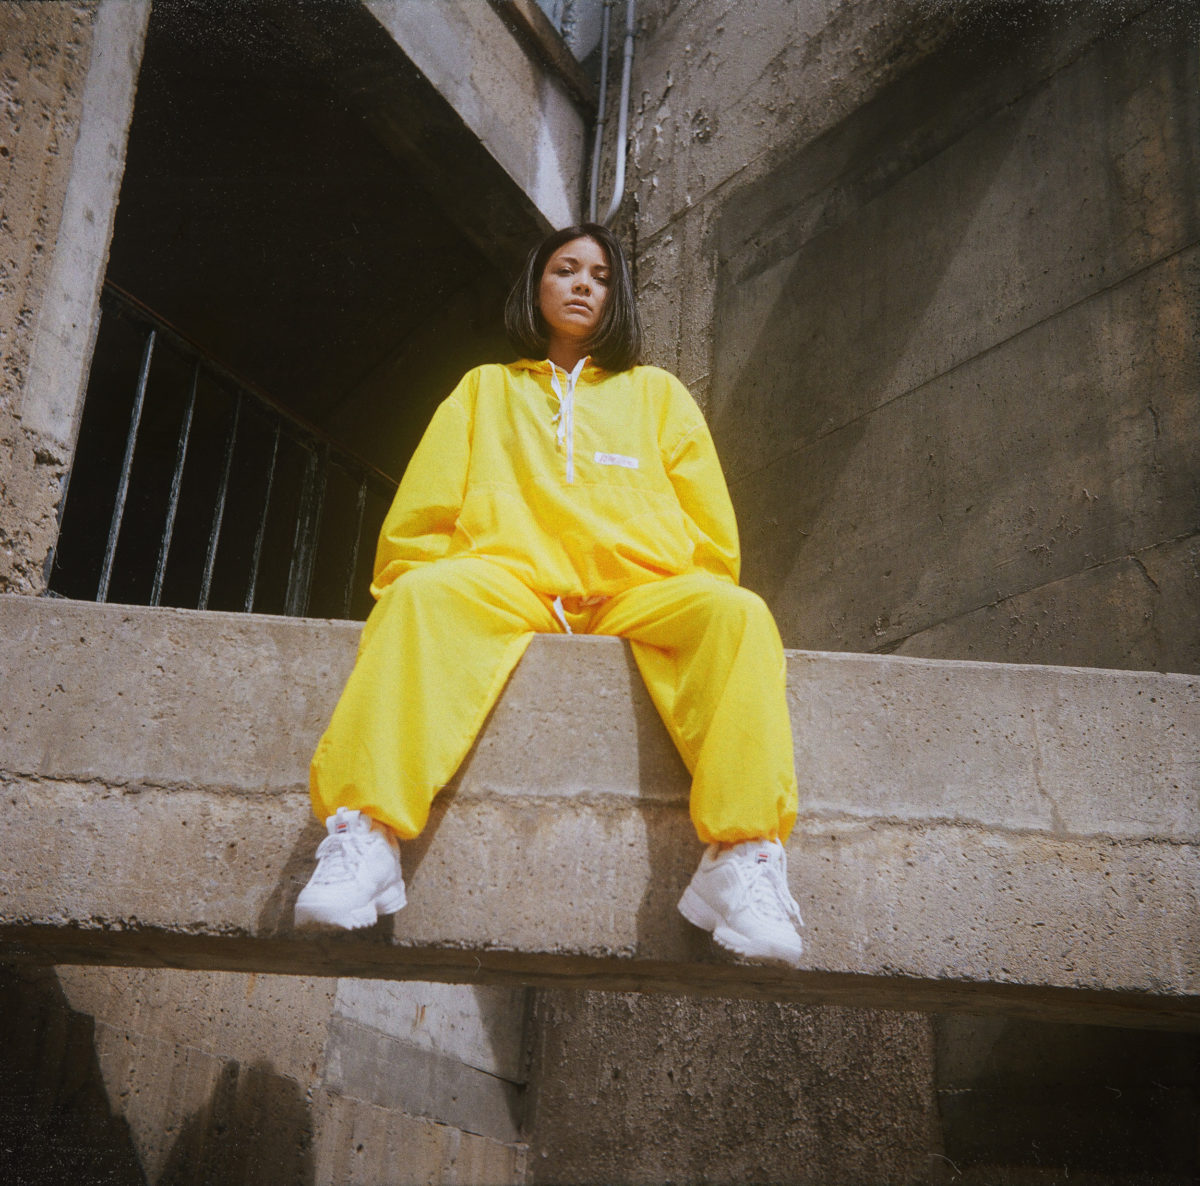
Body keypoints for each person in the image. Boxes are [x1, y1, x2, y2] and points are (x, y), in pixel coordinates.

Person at [294, 223, 804, 966]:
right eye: (566, 269)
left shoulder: (658, 395)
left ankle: (743, 859)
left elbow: (711, 537)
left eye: (599, 276)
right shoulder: (484, 389)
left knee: (740, 615)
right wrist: (425, 583)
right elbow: (423, 517)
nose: (582, 285)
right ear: (537, 286)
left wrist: (669, 578)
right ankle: (366, 839)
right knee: (417, 596)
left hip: (639, 590)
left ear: (616, 298)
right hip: (510, 583)